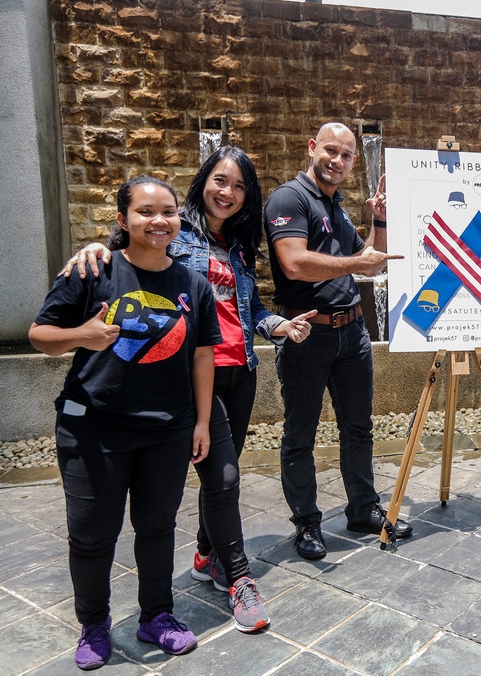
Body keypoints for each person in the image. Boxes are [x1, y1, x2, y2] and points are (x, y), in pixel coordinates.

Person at [62, 146, 317, 633]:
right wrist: (94, 248)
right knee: (222, 479)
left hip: (238, 370)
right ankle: (239, 576)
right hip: (190, 376)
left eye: (240, 186)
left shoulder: (240, 246)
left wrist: (279, 325)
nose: (229, 193)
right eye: (220, 181)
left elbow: (249, 310)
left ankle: (207, 555)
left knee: (221, 478)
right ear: (202, 183)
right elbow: (127, 257)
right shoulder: (174, 232)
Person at [30, 177, 219, 669]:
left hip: (168, 429)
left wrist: (201, 422)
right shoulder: (94, 269)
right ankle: (93, 626)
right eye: (146, 211)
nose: (159, 221)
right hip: (93, 428)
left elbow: (202, 357)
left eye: (169, 212)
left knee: (157, 527)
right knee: (91, 533)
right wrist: (81, 335)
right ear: (122, 220)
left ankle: (157, 616)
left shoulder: (193, 284)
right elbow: (39, 335)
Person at [264, 122, 409, 561]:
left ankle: (362, 509)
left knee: (358, 428)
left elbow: (370, 263)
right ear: (312, 148)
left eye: (347, 155)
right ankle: (307, 523)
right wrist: (355, 262)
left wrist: (378, 220)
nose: (338, 160)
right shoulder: (289, 198)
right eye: (331, 150)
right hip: (307, 333)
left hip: (353, 334)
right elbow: (293, 263)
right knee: (300, 435)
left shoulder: (336, 206)